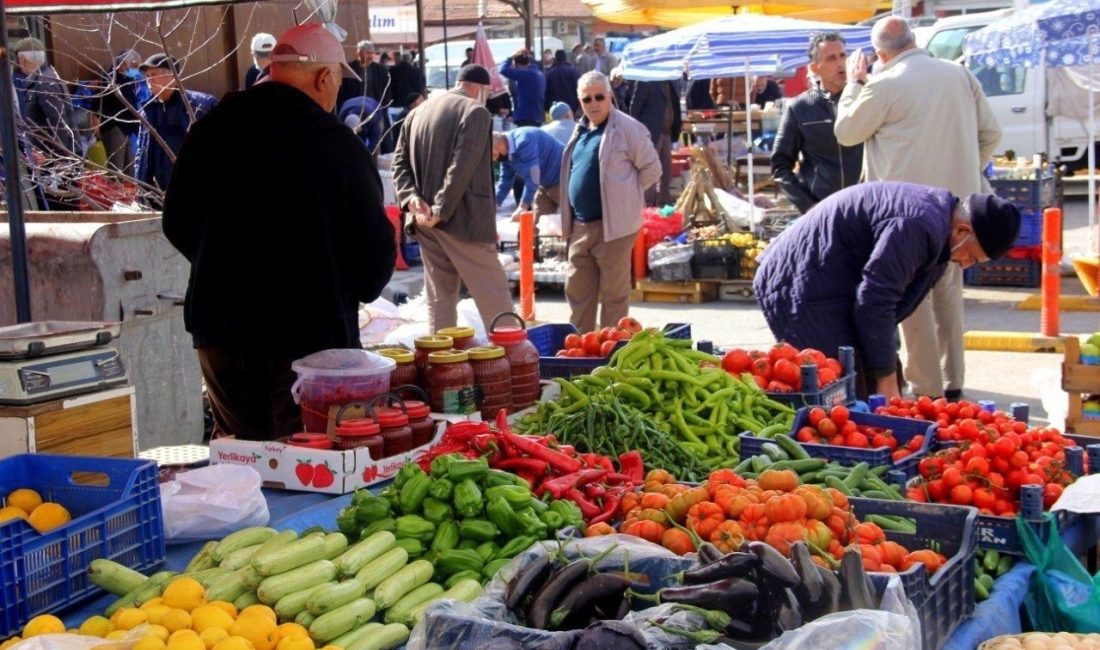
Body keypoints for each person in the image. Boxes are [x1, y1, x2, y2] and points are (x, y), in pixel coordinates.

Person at [162, 23, 394, 440]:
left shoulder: (211, 131)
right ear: (324, 78)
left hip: (221, 328)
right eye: (338, 83)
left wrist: (224, 267)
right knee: (306, 459)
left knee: (244, 459)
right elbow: (373, 263)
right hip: (308, 341)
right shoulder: (337, 146)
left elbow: (176, 222)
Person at [834, 16, 1002, 400]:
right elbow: (991, 135)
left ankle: (928, 393)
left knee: (914, 302)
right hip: (959, 209)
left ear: (880, 54)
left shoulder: (883, 84)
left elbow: (846, 132)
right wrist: (965, 170)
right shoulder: (959, 75)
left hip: (907, 214)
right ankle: (953, 382)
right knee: (947, 295)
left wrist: (854, 84)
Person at [754, 182, 1020, 400]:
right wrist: (885, 378)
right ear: (963, 230)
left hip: (834, 280)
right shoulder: (916, 225)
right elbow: (875, 302)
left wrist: (886, 372)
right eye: (972, 256)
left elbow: (886, 307)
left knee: (866, 383)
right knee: (833, 388)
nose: (965, 264)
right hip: (797, 282)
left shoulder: (939, 232)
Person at [392, 64, 514, 332]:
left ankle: (443, 367)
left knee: (440, 300)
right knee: (495, 298)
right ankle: (514, 364)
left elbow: (398, 164)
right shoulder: (475, 112)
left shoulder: (417, 113)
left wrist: (411, 198)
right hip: (461, 220)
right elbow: (462, 166)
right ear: (480, 89)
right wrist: (440, 209)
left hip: (423, 220)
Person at [559, 71, 660, 332]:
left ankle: (610, 356)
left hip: (614, 227)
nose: (593, 103)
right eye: (586, 99)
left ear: (610, 96)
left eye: (599, 97)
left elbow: (652, 169)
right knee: (578, 292)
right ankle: (580, 350)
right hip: (580, 226)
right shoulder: (580, 129)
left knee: (614, 297)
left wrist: (626, 198)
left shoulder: (628, 128)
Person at [772, 32, 863, 214]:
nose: (840, 63)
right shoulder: (799, 107)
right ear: (815, 68)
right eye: (831, 58)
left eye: (843, 56)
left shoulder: (865, 98)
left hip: (866, 203)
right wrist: (808, 205)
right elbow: (780, 167)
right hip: (823, 208)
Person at [135, 54, 217, 201]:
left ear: (172, 75)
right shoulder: (147, 111)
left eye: (154, 74)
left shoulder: (200, 106)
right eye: (147, 76)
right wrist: (140, 193)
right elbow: (141, 154)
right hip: (156, 196)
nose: (149, 80)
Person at [14, 38, 78, 158]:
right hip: (51, 156)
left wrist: (52, 158)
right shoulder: (45, 78)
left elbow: (59, 124)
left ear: (22, 59)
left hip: (53, 160)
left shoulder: (44, 83)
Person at [492, 127, 565, 220]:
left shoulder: (524, 141)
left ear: (502, 145)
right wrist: (494, 204)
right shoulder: (505, 152)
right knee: (537, 225)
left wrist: (523, 206)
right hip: (544, 183)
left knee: (568, 221)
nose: (494, 159)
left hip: (561, 178)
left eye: (494, 155)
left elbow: (532, 177)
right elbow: (505, 182)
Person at [629, 79, 681, 207]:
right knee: (650, 173)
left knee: (666, 174)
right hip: (650, 134)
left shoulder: (671, 81)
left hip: (667, 133)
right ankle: (647, 208)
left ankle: (665, 206)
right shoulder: (645, 80)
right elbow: (634, 109)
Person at [100, 49, 141, 175]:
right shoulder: (111, 79)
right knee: (116, 169)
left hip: (127, 128)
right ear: (123, 63)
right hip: (115, 127)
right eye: (133, 65)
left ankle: (130, 193)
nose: (136, 69)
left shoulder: (128, 79)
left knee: (131, 167)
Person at [500, 49, 546, 127]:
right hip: (536, 114)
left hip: (526, 115)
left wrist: (510, 58)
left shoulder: (526, 74)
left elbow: (503, 70)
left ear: (517, 65)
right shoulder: (538, 73)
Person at [544, 49, 580, 114]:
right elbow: (578, 88)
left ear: (556, 59)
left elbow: (548, 92)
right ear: (565, 58)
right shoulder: (573, 71)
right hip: (572, 106)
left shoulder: (551, 73)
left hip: (556, 107)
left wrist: (546, 107)